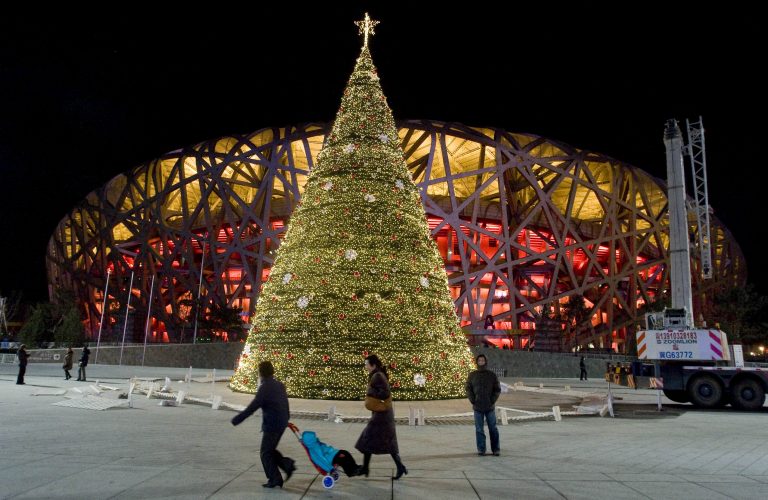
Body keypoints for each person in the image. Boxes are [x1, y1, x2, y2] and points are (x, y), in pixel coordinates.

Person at [231, 361, 296, 488]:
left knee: (265, 453)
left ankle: (276, 477)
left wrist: (237, 419)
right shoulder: (279, 385)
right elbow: (285, 403)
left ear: (261, 373)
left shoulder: (264, 388)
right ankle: (286, 466)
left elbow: (252, 407)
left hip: (273, 424)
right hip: (282, 422)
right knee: (270, 450)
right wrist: (286, 418)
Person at [355, 354, 407, 480]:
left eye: (367, 364)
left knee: (368, 439)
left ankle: (366, 468)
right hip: (382, 415)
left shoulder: (377, 375)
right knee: (384, 441)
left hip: (381, 416)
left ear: (373, 365)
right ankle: (399, 467)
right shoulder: (377, 374)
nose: (365, 366)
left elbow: (385, 393)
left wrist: (370, 392)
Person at [466, 354, 501, 456]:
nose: (481, 362)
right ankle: (481, 449)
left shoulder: (491, 375)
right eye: (479, 360)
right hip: (477, 407)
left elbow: (497, 389)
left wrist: (492, 400)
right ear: (477, 362)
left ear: (486, 362)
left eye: (483, 360)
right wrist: (473, 400)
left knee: (493, 428)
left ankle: (496, 449)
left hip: (489, 407)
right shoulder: (472, 375)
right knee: (479, 429)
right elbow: (468, 388)